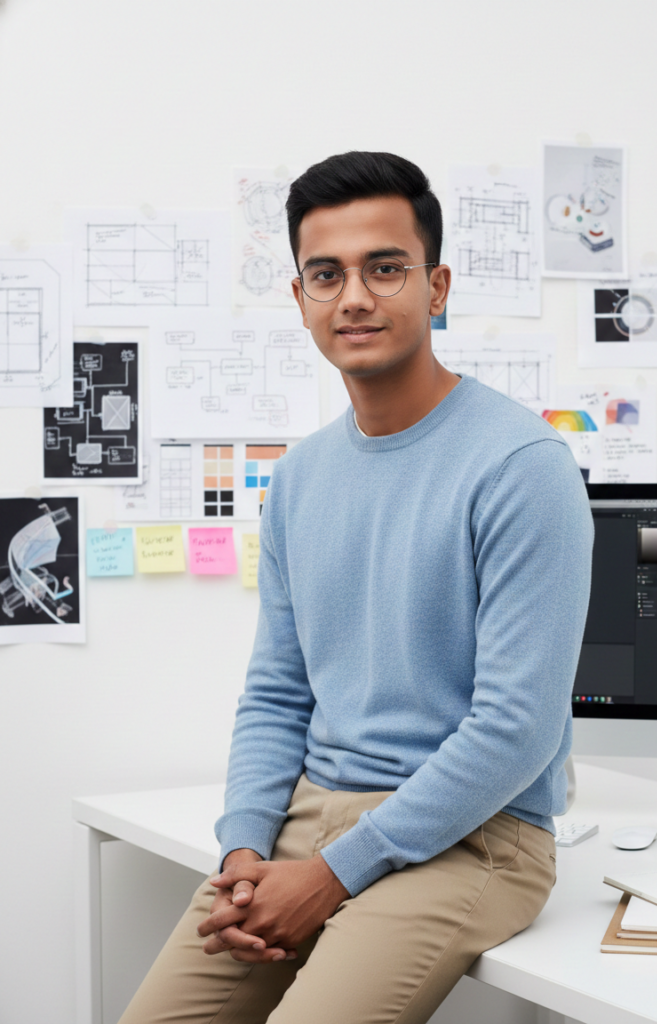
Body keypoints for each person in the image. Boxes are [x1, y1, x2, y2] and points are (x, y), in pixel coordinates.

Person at [120, 151, 593, 1024]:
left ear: (437, 285)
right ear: (299, 298)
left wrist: (331, 875)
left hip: (477, 836)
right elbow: (276, 692)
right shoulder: (300, 477)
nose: (356, 298)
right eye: (326, 274)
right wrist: (242, 851)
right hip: (308, 822)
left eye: (386, 267)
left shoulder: (523, 467)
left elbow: (519, 728)